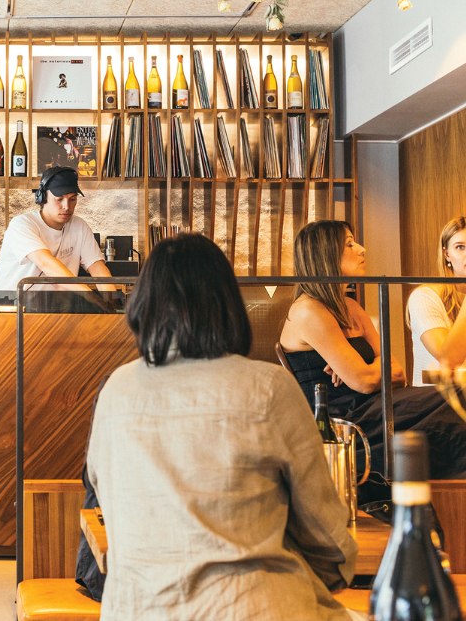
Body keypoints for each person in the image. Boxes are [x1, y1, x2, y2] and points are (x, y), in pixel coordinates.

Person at [87, 233, 355, 620]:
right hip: (255, 606)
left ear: (144, 305)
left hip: (138, 607)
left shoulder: (116, 389)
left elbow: (104, 495)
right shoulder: (269, 387)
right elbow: (326, 535)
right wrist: (337, 571)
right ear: (228, 303)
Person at [279, 220, 466, 492]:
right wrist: (365, 370)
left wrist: (360, 368)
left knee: (457, 397)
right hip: (345, 421)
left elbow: (398, 372)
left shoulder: (351, 307)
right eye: (350, 244)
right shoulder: (308, 311)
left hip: (380, 404)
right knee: (454, 402)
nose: (362, 249)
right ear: (325, 253)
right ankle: (447, 506)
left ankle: (448, 507)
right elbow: (364, 382)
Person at [0, 166, 112, 296]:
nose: (66, 206)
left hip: (51, 307)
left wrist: (112, 300)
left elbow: (98, 268)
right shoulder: (22, 224)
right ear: (42, 197)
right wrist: (90, 296)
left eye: (72, 199)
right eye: (59, 199)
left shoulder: (79, 226)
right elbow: (46, 263)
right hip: (8, 306)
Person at [406, 215, 466, 385]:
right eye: (460, 247)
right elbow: (449, 360)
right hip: (435, 401)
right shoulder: (424, 297)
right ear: (447, 254)